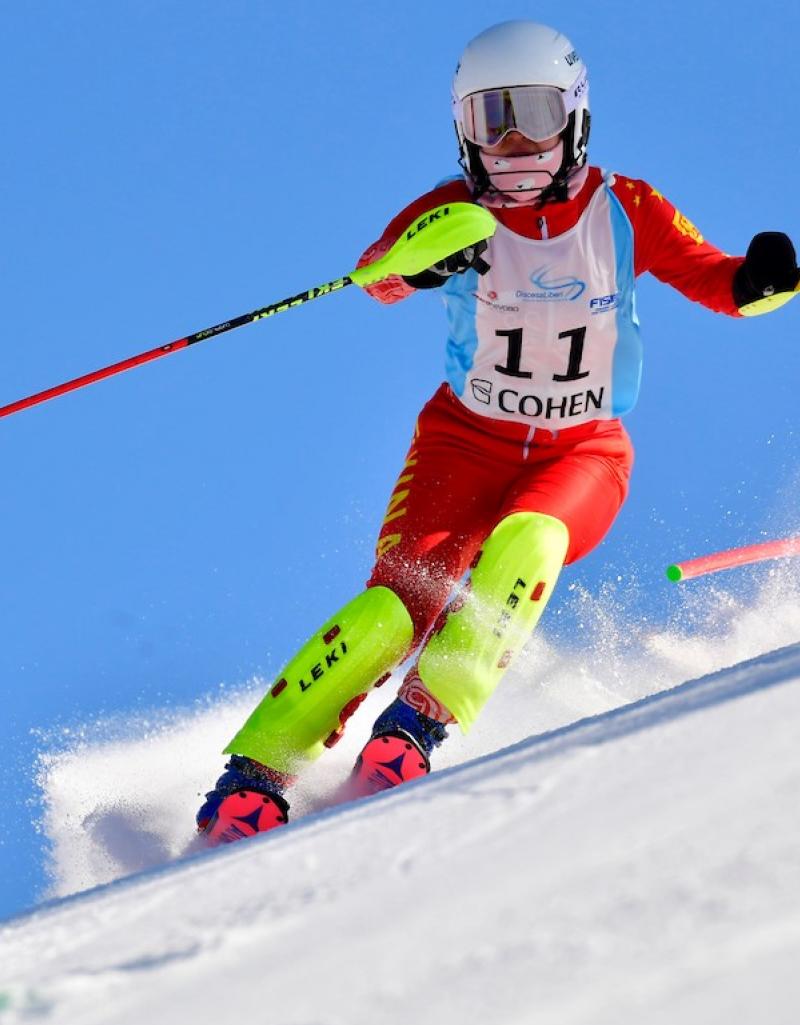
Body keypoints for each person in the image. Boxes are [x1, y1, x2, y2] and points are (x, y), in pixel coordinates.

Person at [197, 20, 799, 843]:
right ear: (463, 130)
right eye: (492, 120)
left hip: (583, 449)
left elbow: (719, 281)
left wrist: (764, 281)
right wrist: (414, 265)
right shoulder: (455, 212)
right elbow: (381, 272)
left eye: (535, 116)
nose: (514, 141)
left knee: (528, 544)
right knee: (392, 608)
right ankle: (251, 776)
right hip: (462, 442)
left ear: (576, 119)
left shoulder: (628, 209)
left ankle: (416, 727)